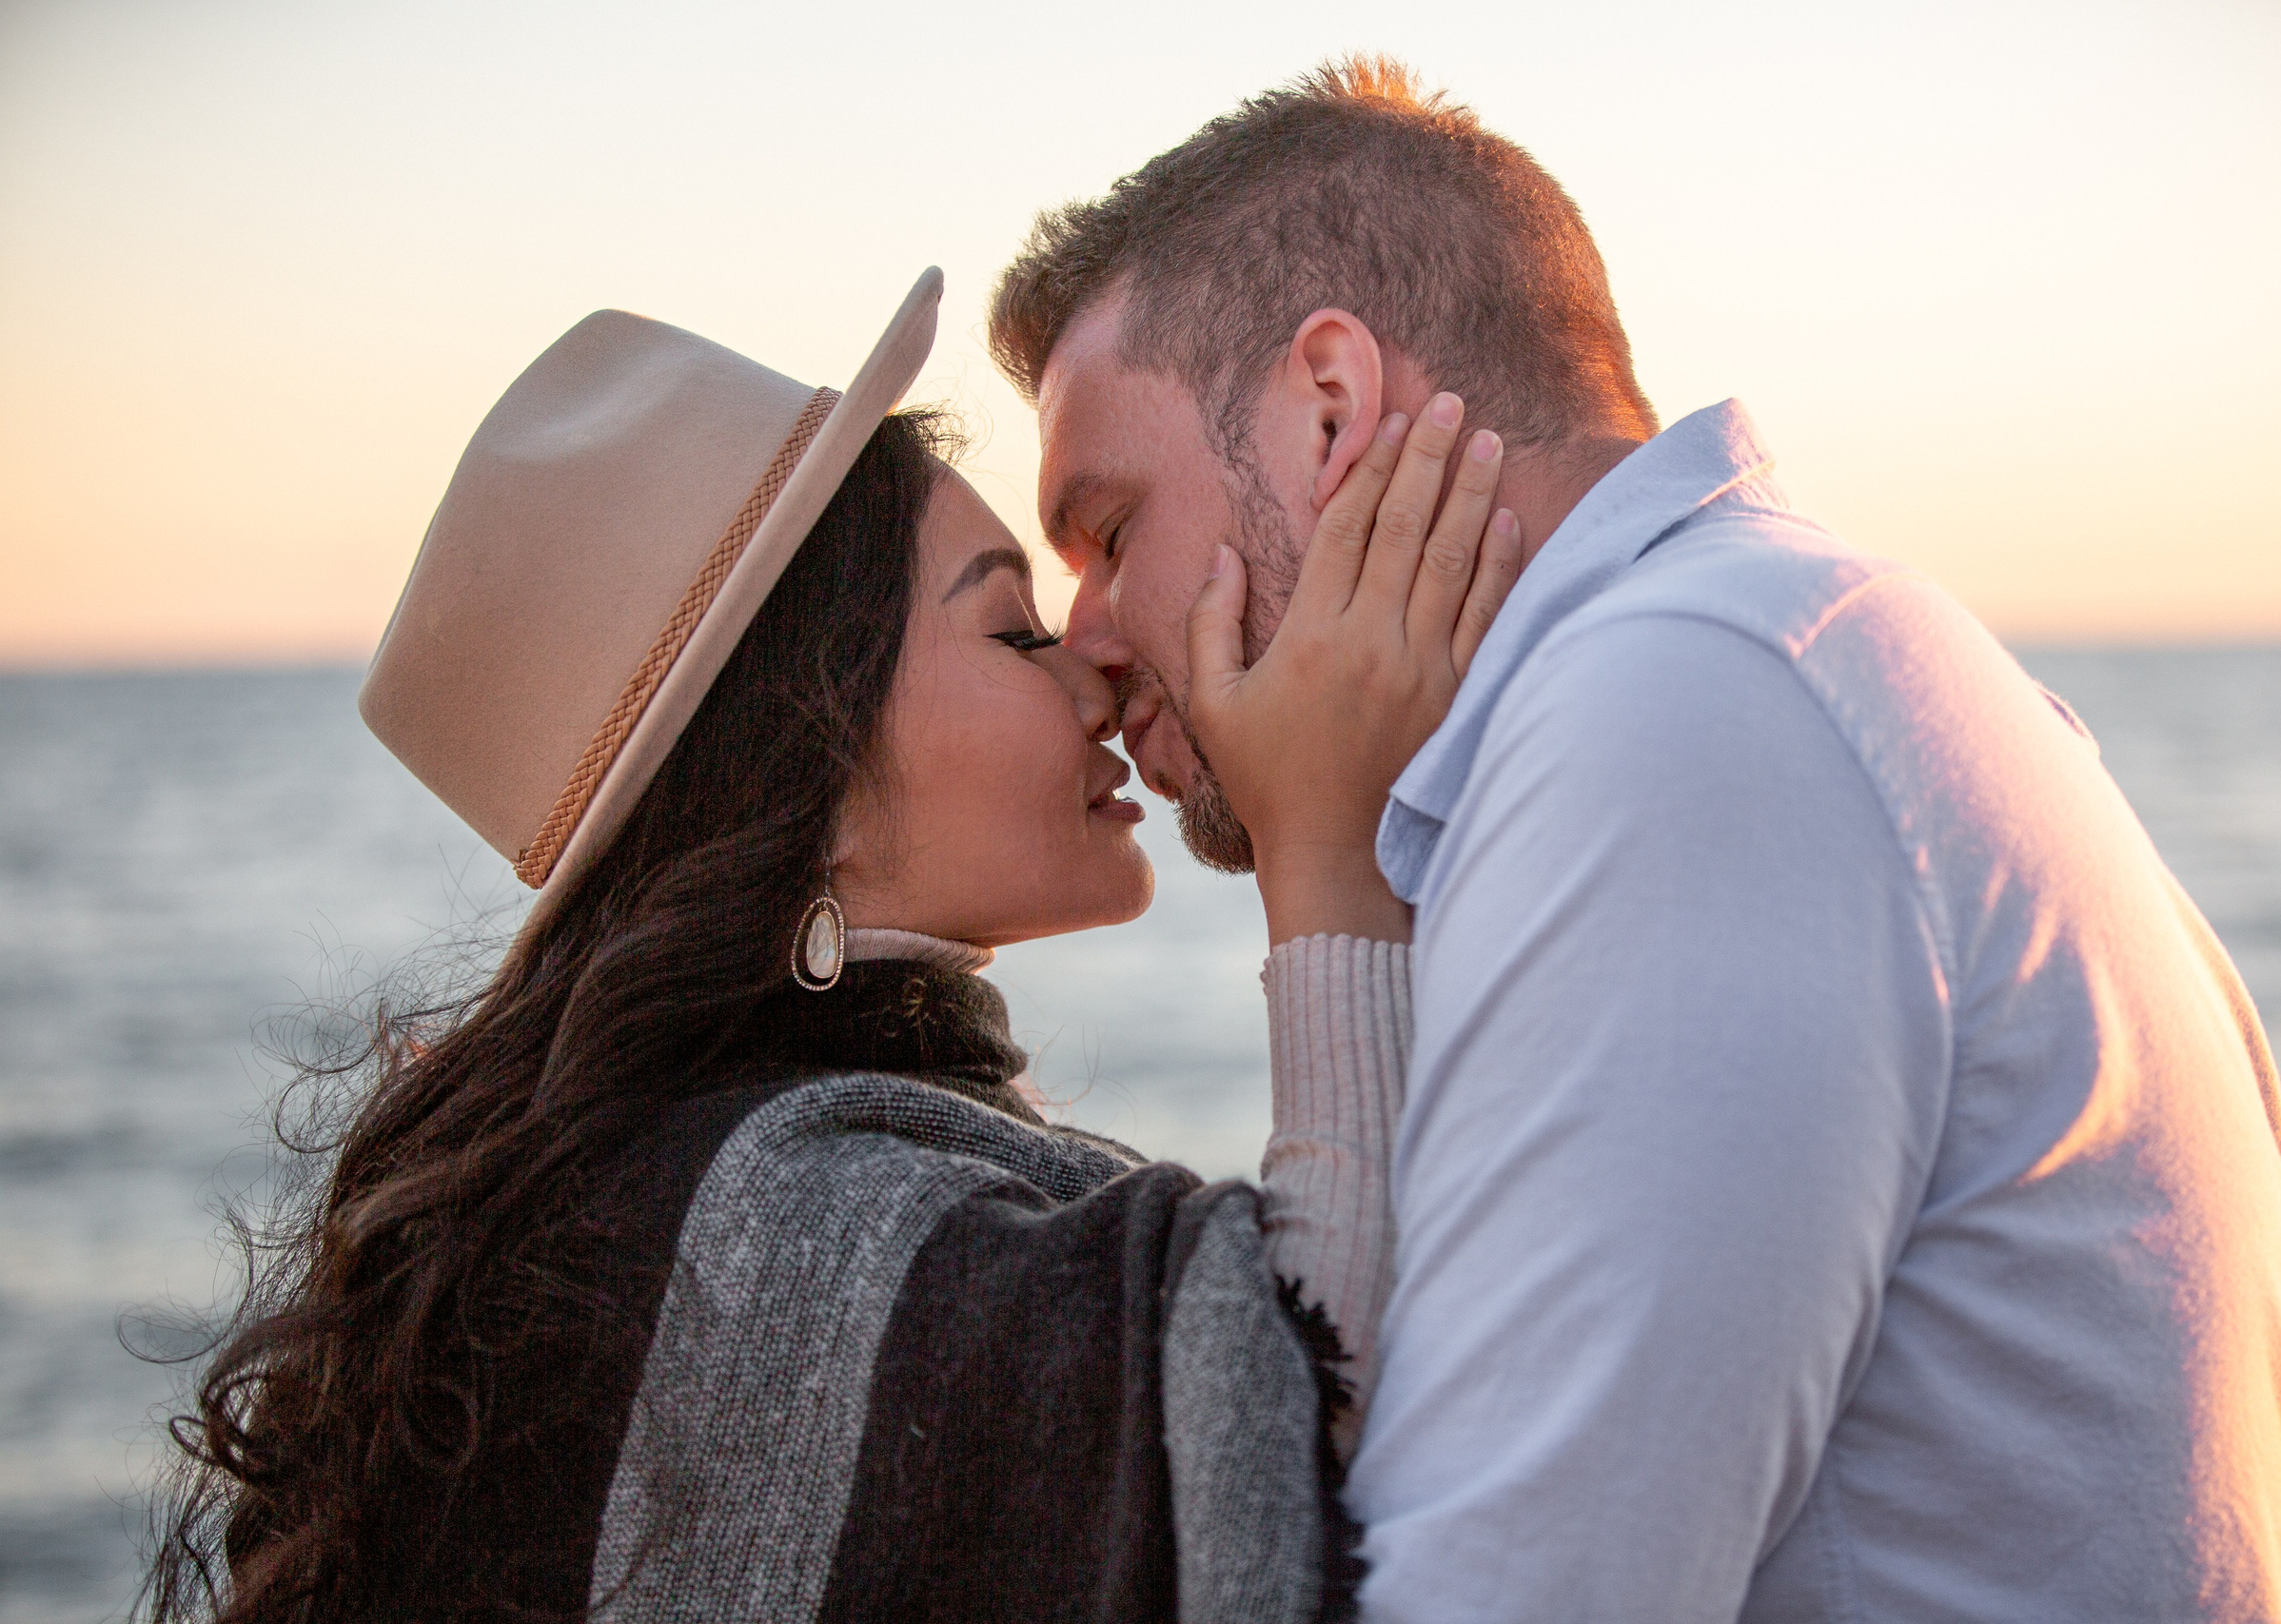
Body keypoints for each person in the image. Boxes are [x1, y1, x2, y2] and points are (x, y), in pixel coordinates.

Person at [990, 57, 2281, 1623]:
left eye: (1110, 533)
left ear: (1330, 409)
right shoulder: (1790, 650)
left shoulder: (1681, 718)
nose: (1086, 635)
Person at [146, 270, 1519, 1623]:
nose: (1098, 670)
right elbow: (1323, 1408)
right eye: (1013, 630)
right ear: (814, 781)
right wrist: (1332, 850)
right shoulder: (760, 1240)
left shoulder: (659, 1190)